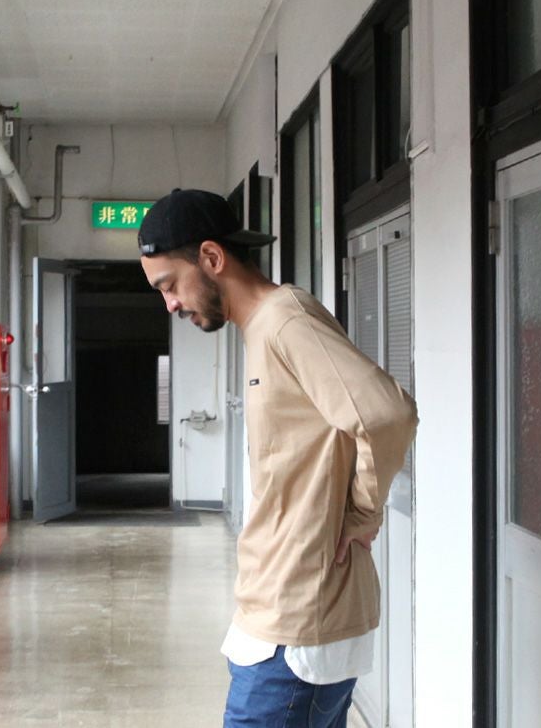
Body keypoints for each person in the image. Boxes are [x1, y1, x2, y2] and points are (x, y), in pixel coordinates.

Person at [138, 188, 418, 728]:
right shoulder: (264, 328)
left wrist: (362, 514)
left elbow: (386, 414)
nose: (169, 304)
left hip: (296, 628)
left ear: (212, 257)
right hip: (276, 616)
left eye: (169, 285)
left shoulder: (286, 320)